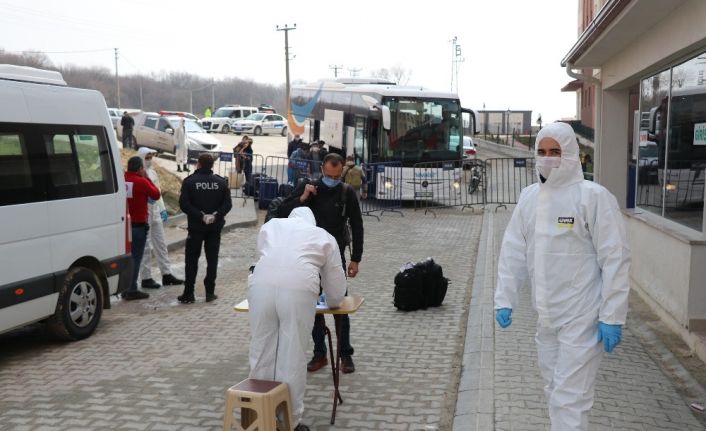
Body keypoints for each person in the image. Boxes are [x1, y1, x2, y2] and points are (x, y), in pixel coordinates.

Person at [494, 122, 630, 431]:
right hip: (546, 317)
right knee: (555, 391)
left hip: (583, 316)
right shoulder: (529, 198)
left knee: (571, 399)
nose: (547, 159)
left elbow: (615, 257)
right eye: (541, 152)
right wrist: (504, 299)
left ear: (570, 154)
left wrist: (612, 315)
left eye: (555, 152)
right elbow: (512, 250)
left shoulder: (592, 197)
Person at [248, 207, 346, 431]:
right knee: (292, 355)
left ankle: (258, 416)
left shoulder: (270, 227)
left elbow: (265, 256)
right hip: (299, 289)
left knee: (261, 349)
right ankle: (289, 421)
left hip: (260, 286)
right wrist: (333, 302)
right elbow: (336, 285)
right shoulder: (323, 236)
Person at [278, 153, 364, 374]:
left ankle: (345, 354)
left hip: (336, 258)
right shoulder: (310, 187)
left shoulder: (347, 192)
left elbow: (357, 225)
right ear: (322, 170)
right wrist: (303, 198)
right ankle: (320, 353)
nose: (331, 179)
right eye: (328, 175)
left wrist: (356, 259)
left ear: (342, 171)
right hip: (309, 258)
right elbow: (282, 211)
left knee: (339, 306)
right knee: (313, 306)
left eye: (336, 176)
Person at [178, 154, 232, 303]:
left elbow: (184, 204)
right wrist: (215, 215)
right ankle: (210, 292)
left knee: (191, 260)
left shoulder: (189, 182)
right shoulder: (221, 182)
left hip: (196, 227)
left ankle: (189, 293)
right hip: (214, 228)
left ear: (199, 164)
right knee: (212, 259)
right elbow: (227, 204)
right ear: (212, 166)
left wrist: (200, 215)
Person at [136, 147, 184, 289]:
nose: (150, 160)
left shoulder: (152, 172)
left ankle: (166, 273)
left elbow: (158, 192)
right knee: (146, 245)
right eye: (147, 157)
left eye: (151, 157)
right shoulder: (138, 174)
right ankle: (146, 277)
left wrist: (162, 209)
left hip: (155, 211)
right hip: (144, 213)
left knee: (161, 243)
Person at [123, 156, 161, 300]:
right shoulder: (141, 181)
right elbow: (156, 194)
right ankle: (132, 288)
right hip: (138, 225)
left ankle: (124, 287)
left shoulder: (122, 179)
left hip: (123, 225)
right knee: (136, 257)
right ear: (140, 168)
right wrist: (147, 178)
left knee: (125, 258)